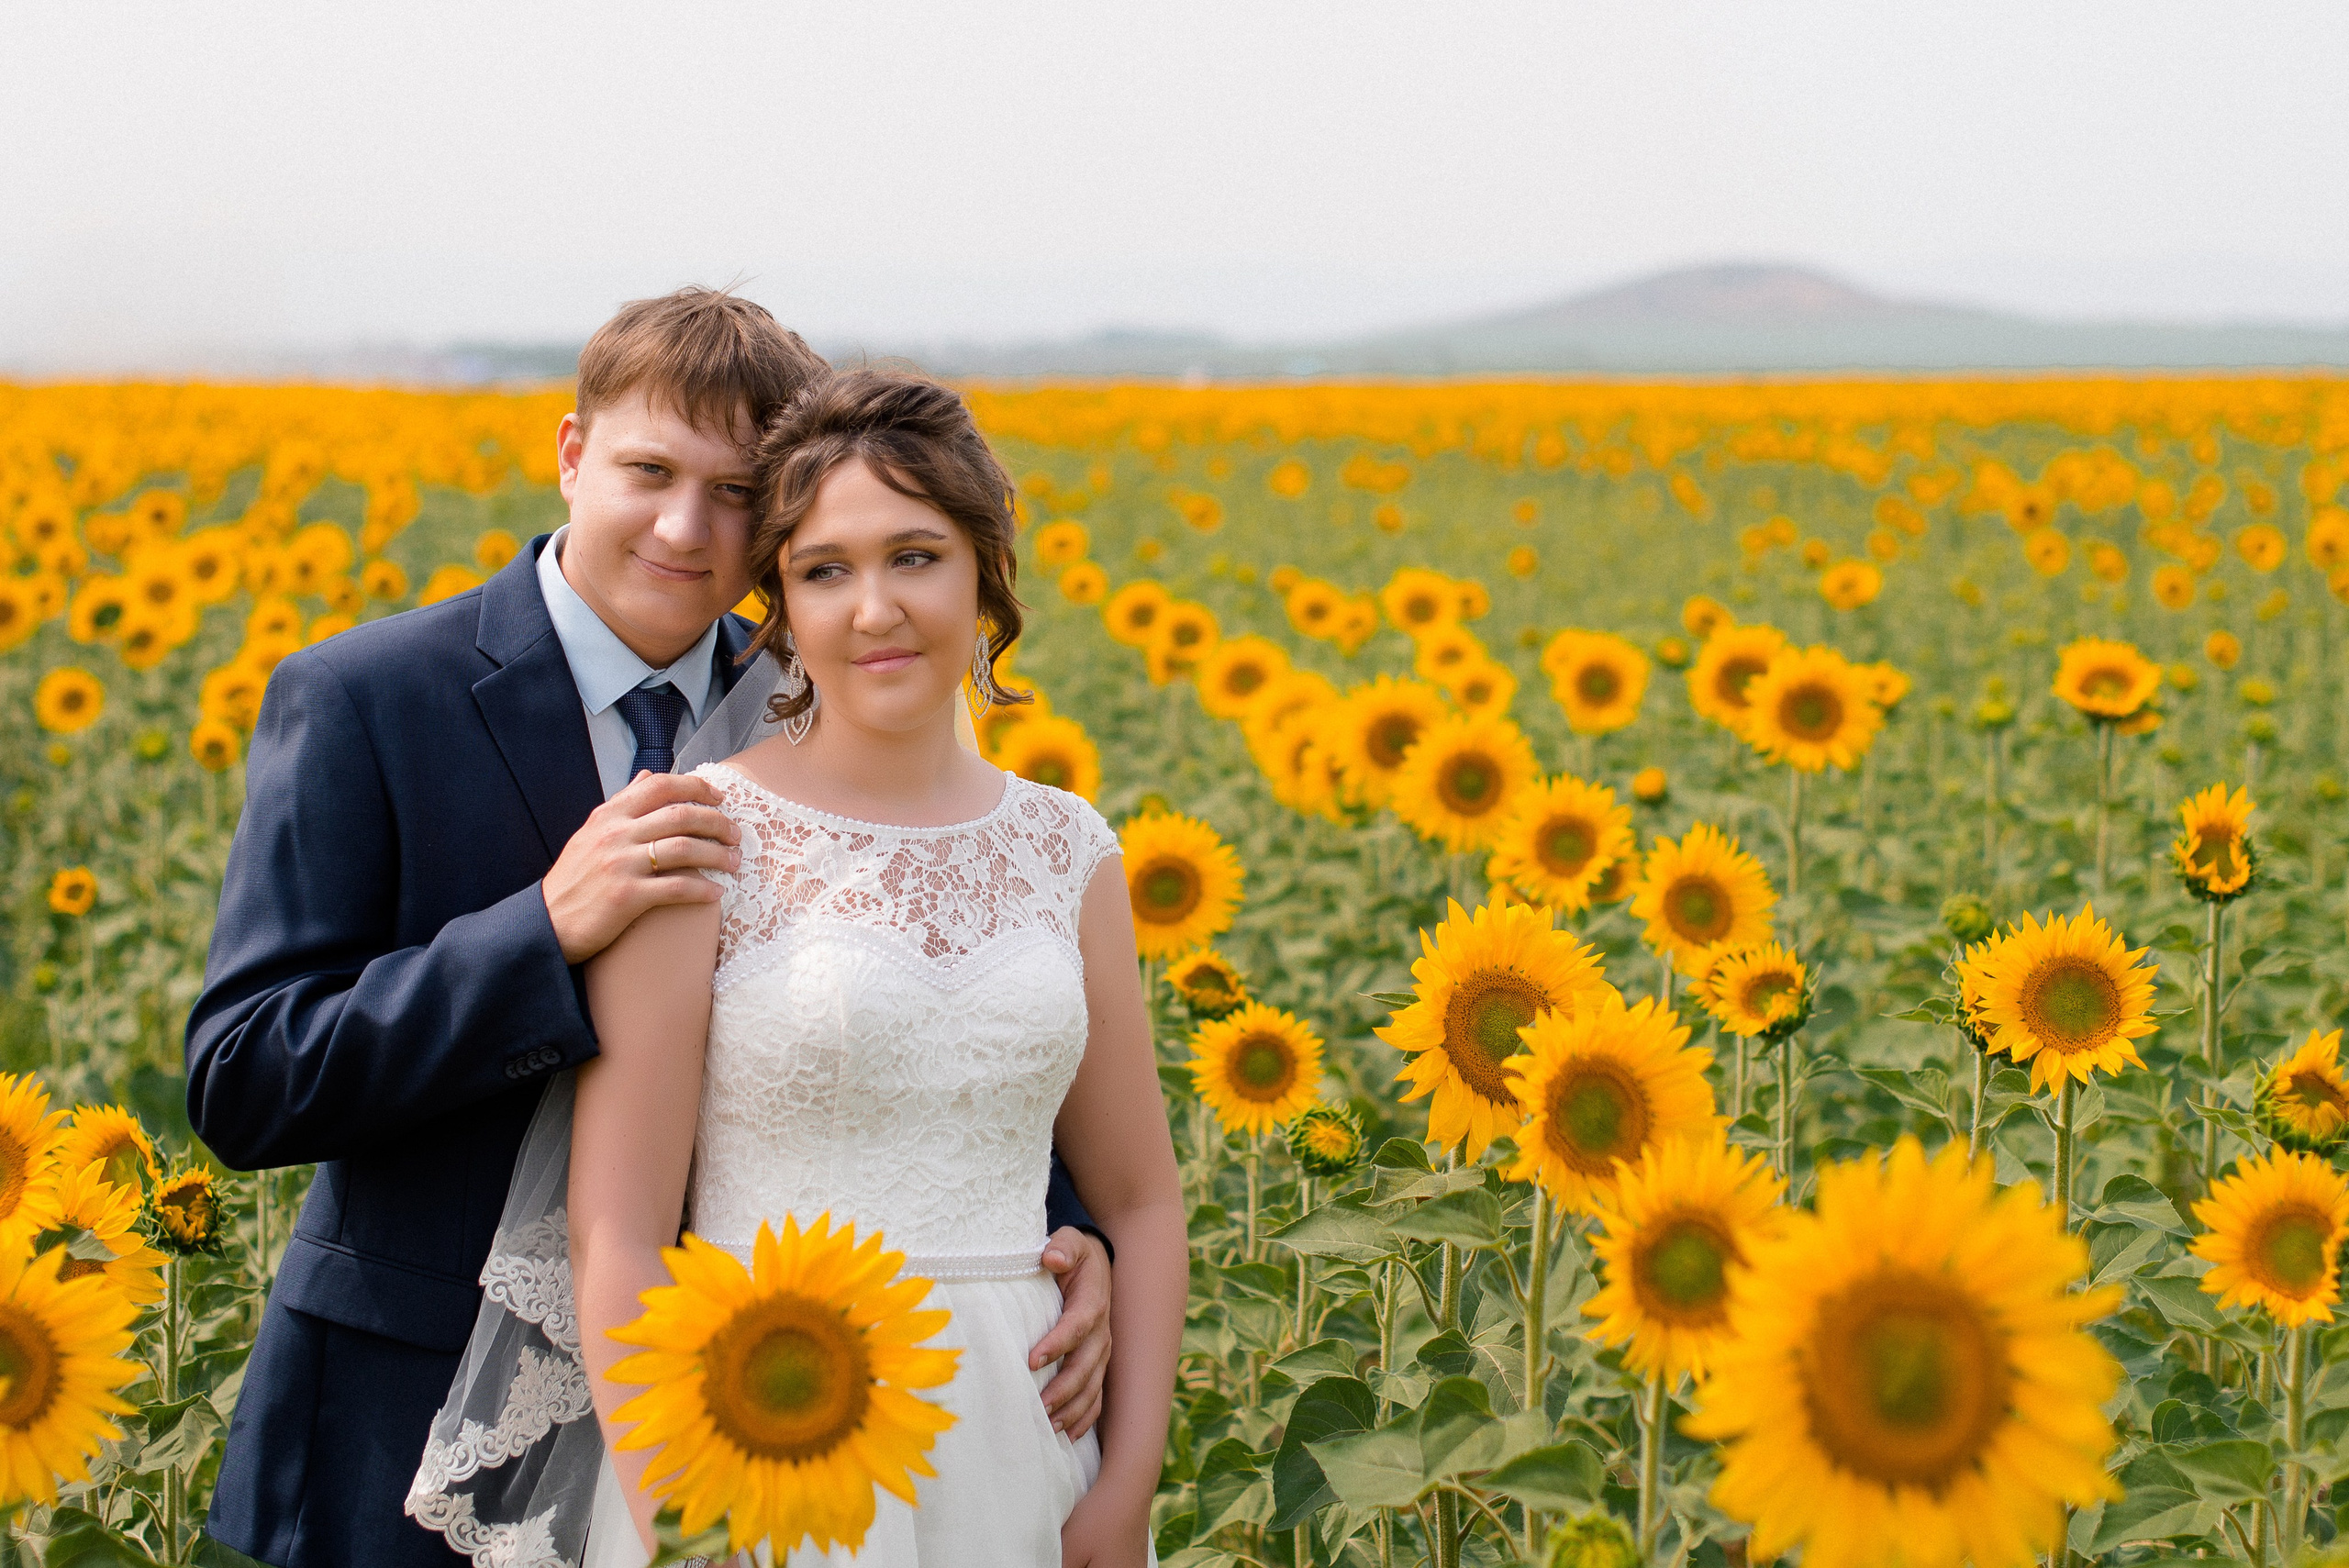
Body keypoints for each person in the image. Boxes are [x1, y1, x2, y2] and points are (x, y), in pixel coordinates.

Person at [184, 289, 1113, 1568]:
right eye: (648, 471)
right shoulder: (368, 697)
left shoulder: (822, 706)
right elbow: (245, 1077)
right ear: (572, 454)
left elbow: (935, 1003)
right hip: (415, 1421)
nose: (687, 527)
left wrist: (1065, 1238)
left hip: (773, 1425)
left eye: (736, 494)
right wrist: (540, 933)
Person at [569, 368, 1185, 1567]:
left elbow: (1143, 1200)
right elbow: (618, 1230)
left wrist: (1126, 1487)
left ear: (983, 570)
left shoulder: (1071, 848)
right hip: (761, 1436)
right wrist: (680, 1522)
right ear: (781, 606)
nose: (875, 608)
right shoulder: (700, 834)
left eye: (915, 555)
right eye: (825, 570)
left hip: (1025, 1439)